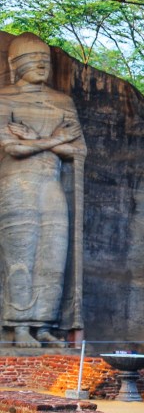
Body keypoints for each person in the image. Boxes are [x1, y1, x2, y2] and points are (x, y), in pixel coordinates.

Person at [0, 33, 86, 347]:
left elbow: (77, 152)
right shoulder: (3, 98)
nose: (41, 65)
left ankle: (43, 325)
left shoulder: (63, 101)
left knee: (54, 254)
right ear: (15, 65)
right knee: (20, 253)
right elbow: (11, 148)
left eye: (45, 61)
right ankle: (19, 326)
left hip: (51, 183)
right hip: (16, 185)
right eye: (31, 60)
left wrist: (33, 139)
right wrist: (54, 139)